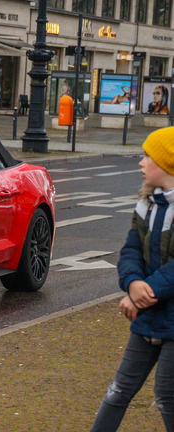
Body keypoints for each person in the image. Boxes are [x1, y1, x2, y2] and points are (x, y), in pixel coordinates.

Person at [90, 126, 174, 432]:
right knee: (118, 391)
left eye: (148, 156)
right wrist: (133, 283)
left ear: (167, 163)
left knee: (167, 396)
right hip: (148, 315)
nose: (141, 162)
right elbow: (130, 250)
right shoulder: (147, 205)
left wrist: (147, 288)